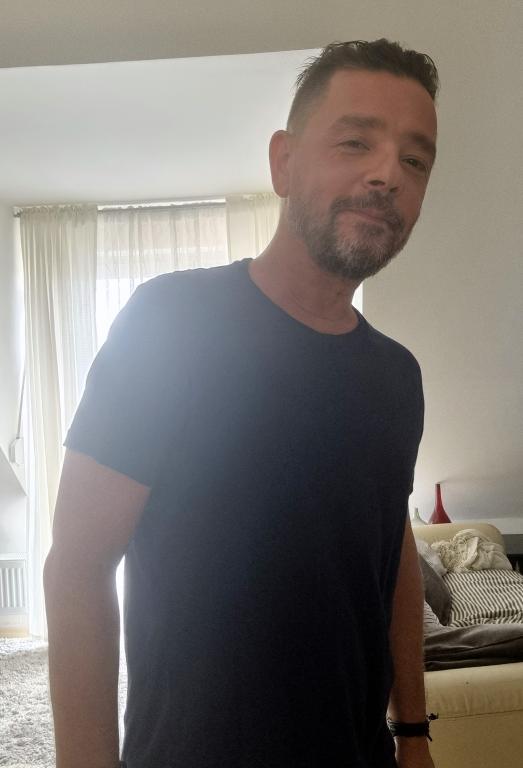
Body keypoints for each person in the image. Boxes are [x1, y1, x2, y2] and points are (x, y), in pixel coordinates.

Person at [44, 39, 439, 768]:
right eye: (355, 142)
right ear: (283, 162)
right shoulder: (169, 322)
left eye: (415, 161)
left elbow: (392, 548)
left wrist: (411, 731)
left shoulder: (396, 377)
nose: (388, 173)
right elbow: (78, 566)